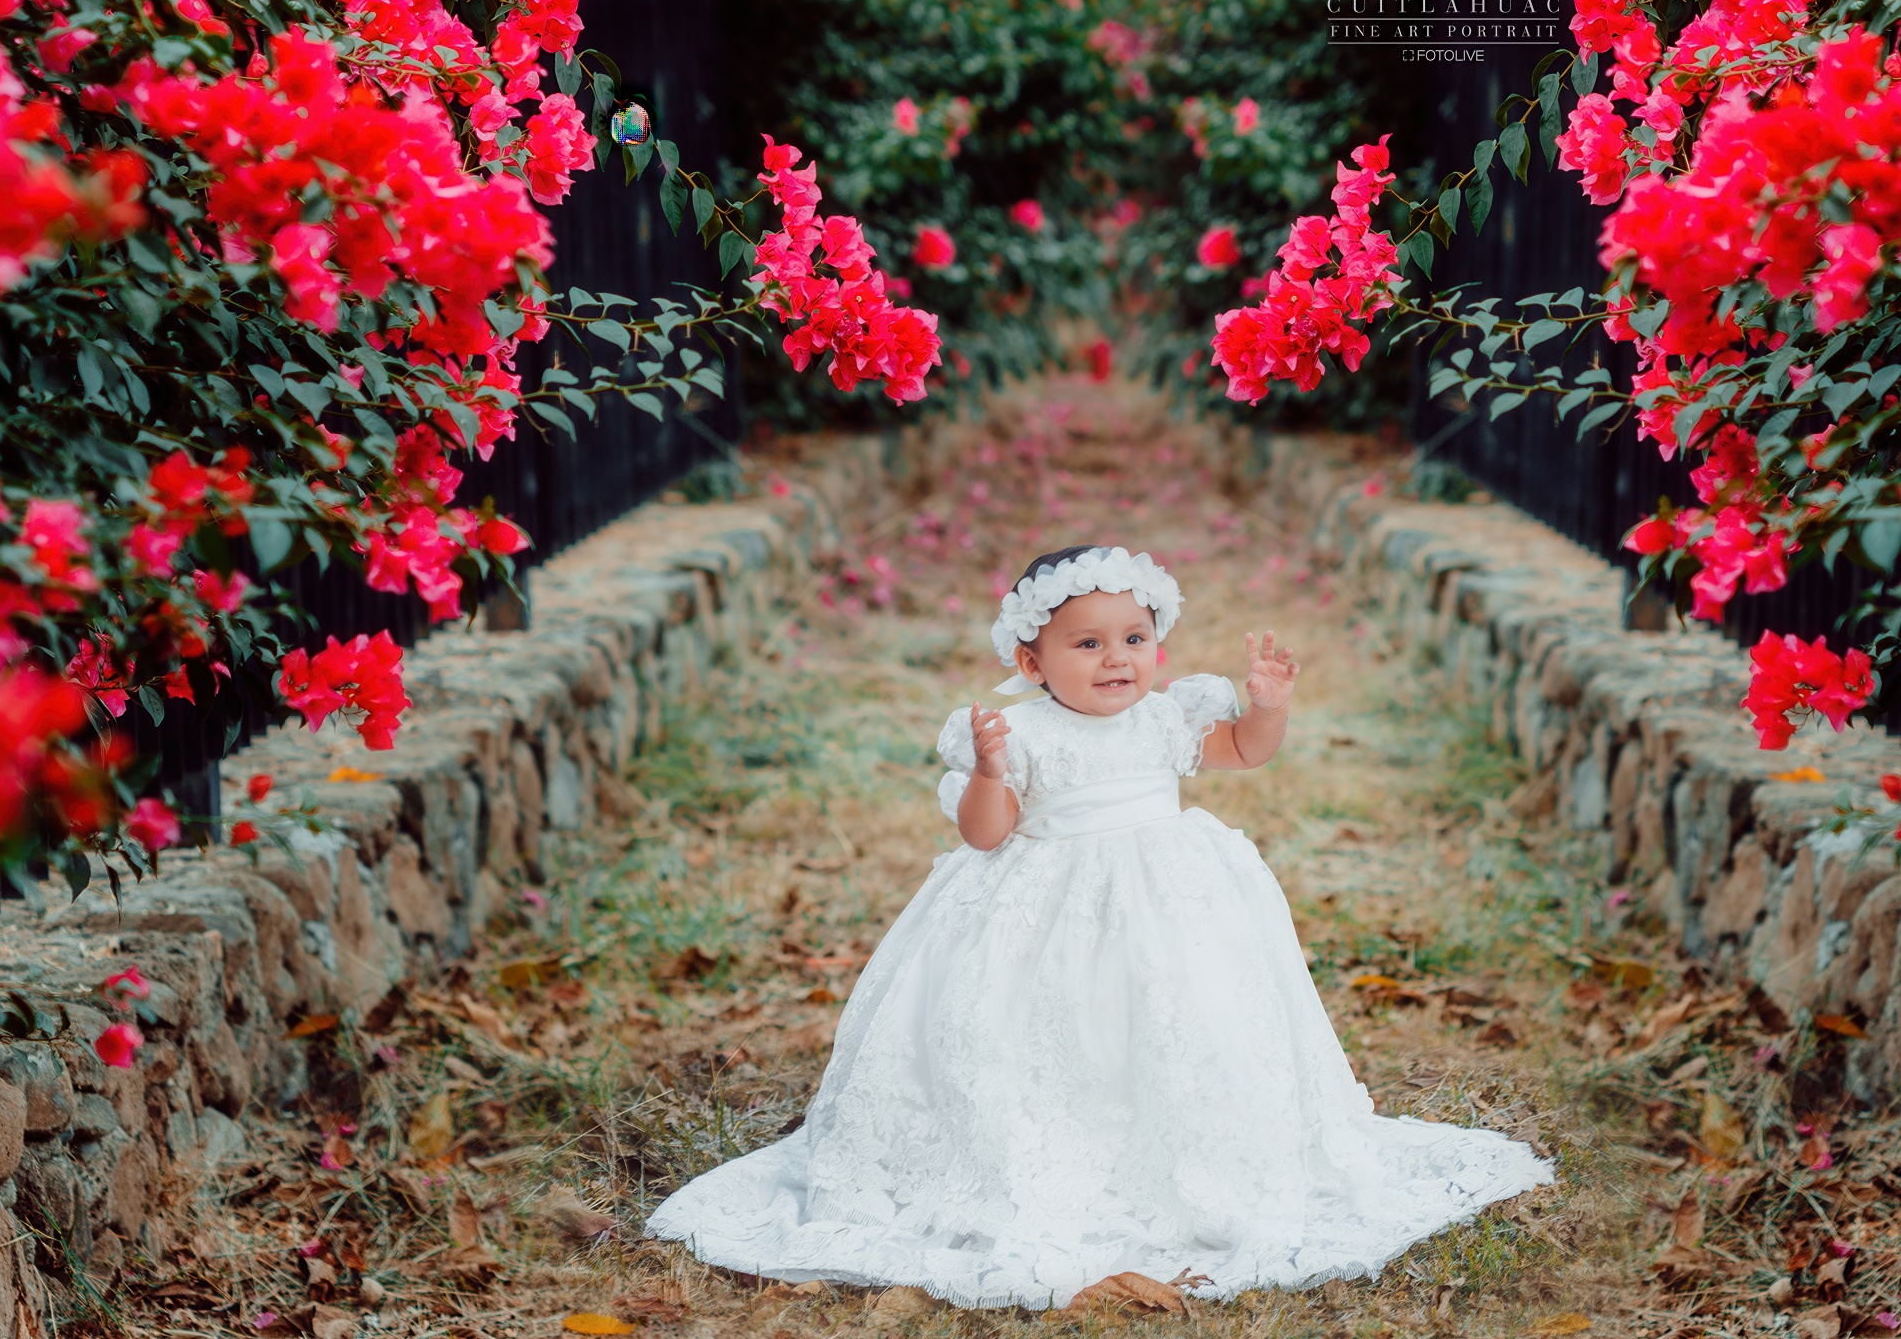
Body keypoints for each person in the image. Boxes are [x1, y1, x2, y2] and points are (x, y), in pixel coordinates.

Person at [647, 544, 1551, 1309]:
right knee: (1052, 1039)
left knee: (1185, 1017)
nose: (1117, 658)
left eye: (1135, 637)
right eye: (1087, 643)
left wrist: (1266, 702)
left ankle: (1197, 1150)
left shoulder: (1168, 716)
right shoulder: (1019, 733)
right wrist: (992, 770)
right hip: (1048, 914)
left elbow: (1241, 751)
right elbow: (986, 834)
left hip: (1171, 900)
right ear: (1034, 662)